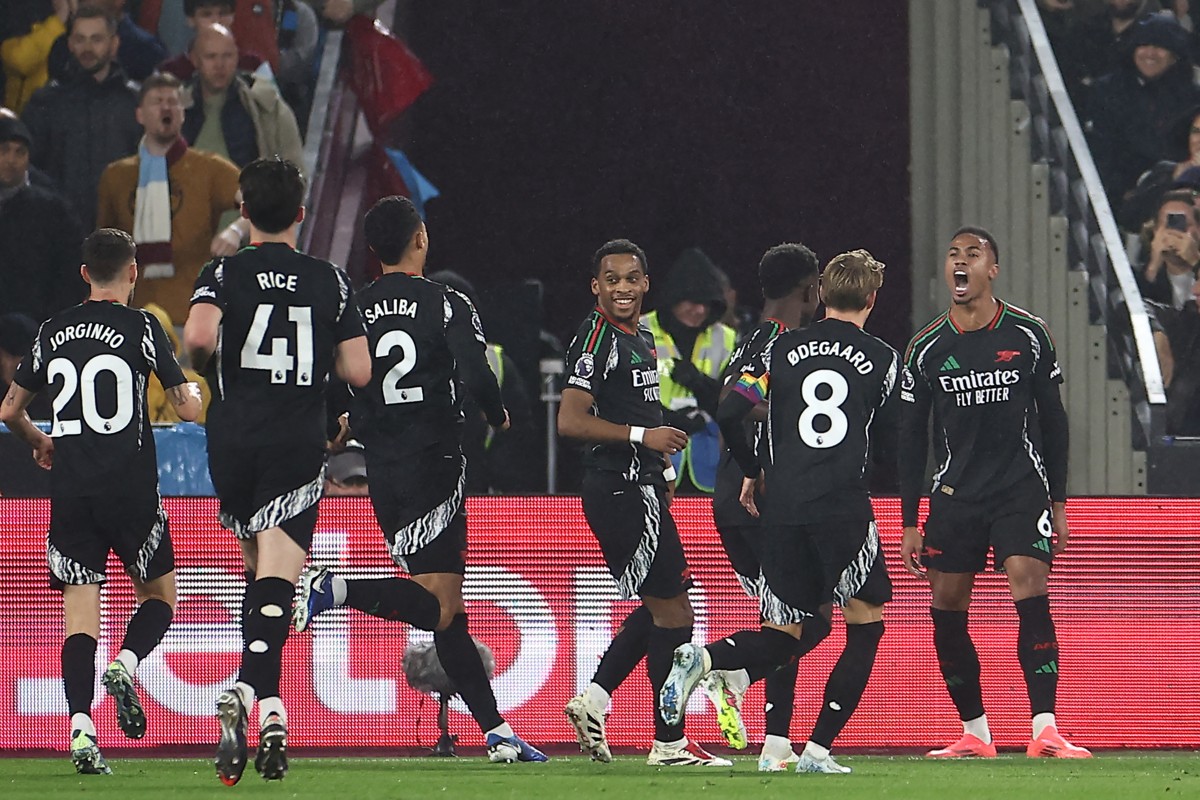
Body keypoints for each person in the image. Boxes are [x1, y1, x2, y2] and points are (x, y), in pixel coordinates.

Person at [292, 195, 548, 764]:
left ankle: (496, 732)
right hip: (434, 462)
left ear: (372, 250)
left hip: (384, 468)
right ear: (421, 239)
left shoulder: (353, 306)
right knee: (440, 608)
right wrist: (498, 411)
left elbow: (339, 379)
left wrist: (344, 422)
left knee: (447, 612)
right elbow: (478, 373)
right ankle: (337, 589)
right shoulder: (447, 302)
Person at [659, 249, 898, 776]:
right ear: (872, 299)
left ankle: (711, 663)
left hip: (780, 508)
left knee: (786, 628)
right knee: (865, 625)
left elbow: (729, 408)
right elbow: (893, 439)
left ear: (825, 294)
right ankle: (816, 751)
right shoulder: (881, 357)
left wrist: (750, 467)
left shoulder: (780, 348)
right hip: (839, 505)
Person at [182, 157, 371, 784]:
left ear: (242, 212)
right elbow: (359, 372)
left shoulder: (222, 272)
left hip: (232, 439)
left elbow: (200, 340)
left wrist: (215, 366)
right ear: (301, 213)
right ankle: (246, 686)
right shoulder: (330, 280)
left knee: (257, 572)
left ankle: (270, 709)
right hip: (294, 439)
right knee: (279, 581)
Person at [0, 227, 202, 774]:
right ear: (133, 273)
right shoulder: (141, 326)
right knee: (160, 595)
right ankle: (127, 664)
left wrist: (41, 442)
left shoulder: (52, 330)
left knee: (79, 619)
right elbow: (184, 407)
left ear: (84, 274)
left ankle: (82, 730)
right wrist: (199, 392)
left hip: (71, 491)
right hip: (130, 489)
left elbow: (9, 409)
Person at [898, 227, 1091, 759]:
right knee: (946, 606)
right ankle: (975, 733)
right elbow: (910, 439)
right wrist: (910, 520)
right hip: (955, 495)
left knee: (1029, 588)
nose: (960, 262)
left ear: (992, 270)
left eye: (972, 254)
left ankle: (1045, 729)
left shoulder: (1029, 333)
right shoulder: (927, 347)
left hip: (1019, 489)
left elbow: (1054, 422)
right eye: (953, 253)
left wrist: (1059, 502)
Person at [558, 238, 731, 767]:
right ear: (596, 286)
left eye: (631, 278)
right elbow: (570, 420)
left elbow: (646, 407)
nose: (623, 288)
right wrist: (643, 438)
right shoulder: (595, 338)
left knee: (665, 608)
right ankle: (669, 743)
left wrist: (664, 463)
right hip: (616, 488)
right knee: (676, 614)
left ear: (646, 283)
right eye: (612, 279)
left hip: (642, 484)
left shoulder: (642, 336)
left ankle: (596, 699)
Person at [708, 242, 823, 770]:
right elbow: (736, 406)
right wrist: (758, 463)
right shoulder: (784, 343)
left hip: (732, 500)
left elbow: (734, 398)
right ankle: (720, 668)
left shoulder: (752, 338)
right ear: (810, 289)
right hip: (760, 500)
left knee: (793, 617)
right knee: (805, 617)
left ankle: (774, 741)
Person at [97, 71, 246, 323]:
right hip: (133, 316)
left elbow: (264, 202)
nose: (166, 107)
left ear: (183, 113)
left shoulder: (209, 168)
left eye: (173, 101)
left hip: (191, 316)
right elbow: (103, 253)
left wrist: (236, 231)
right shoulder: (116, 176)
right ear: (140, 115)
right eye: (157, 101)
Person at [22, 4, 141, 232]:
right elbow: (28, 166)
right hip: (60, 230)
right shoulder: (46, 102)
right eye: (80, 39)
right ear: (70, 44)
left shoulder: (136, 102)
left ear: (113, 44)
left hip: (124, 230)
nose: (87, 47)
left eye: (96, 39)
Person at [642, 247, 737, 494]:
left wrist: (700, 384)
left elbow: (735, 400)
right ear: (674, 297)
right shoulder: (639, 331)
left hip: (707, 463)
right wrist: (669, 419)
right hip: (651, 461)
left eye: (707, 304)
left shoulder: (725, 338)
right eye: (694, 302)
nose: (700, 311)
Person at [1087, 12, 1200, 206]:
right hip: (1119, 195)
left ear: (1174, 55)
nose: (1150, 53)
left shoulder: (1192, 97)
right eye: (1144, 44)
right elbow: (1103, 149)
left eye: (1160, 46)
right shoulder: (1107, 90)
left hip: (1177, 191)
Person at [0, 112, 86, 322]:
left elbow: (71, 272)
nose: (11, 160)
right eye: (4, 151)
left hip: (36, 328)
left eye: (20, 152)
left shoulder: (54, 211)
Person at [180, 24, 303, 170]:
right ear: (194, 59)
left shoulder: (267, 105)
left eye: (227, 56)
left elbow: (296, 171)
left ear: (237, 57)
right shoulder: (174, 106)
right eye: (211, 56)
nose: (220, 65)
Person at [1137, 190, 1199, 308]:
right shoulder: (1146, 276)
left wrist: (1195, 261)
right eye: (1169, 224)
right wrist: (1153, 266)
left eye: (1183, 224)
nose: (1175, 232)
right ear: (1155, 231)